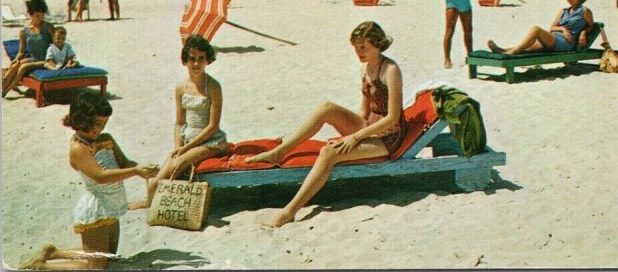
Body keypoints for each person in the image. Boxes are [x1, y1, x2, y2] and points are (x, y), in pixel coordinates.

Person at [244, 21, 407, 227]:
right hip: (370, 127)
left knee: (329, 152)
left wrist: (356, 137)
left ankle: (289, 211)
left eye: (363, 47)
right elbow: (364, 112)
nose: (359, 52)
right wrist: (355, 132)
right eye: (356, 48)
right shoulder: (365, 69)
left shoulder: (391, 70)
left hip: (389, 136)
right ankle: (280, 151)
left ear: (378, 44)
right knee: (326, 108)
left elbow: (393, 117)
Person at [20, 91, 158, 270]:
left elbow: (124, 163)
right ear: (82, 120)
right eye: (96, 123)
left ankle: (55, 253)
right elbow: (100, 176)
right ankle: (43, 266)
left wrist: (144, 169)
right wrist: (135, 171)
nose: (99, 129)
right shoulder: (79, 148)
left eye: (103, 124)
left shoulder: (107, 140)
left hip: (112, 205)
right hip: (97, 208)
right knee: (97, 268)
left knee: (107, 256)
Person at [146, 34, 228, 206]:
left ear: (208, 60)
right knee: (155, 180)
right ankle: (149, 203)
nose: (196, 64)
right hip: (187, 139)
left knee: (175, 167)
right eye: (192, 59)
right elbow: (179, 123)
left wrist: (186, 148)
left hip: (210, 142)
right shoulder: (181, 88)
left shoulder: (213, 87)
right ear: (185, 61)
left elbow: (213, 126)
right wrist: (178, 146)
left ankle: (164, 204)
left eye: (201, 59)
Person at [487, 0, 594, 54]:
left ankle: (512, 52)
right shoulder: (563, 11)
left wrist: (583, 33)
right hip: (554, 38)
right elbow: (552, 27)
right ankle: (503, 50)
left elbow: (591, 26)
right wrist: (563, 29)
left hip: (566, 43)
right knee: (525, 48)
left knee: (536, 29)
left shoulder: (584, 11)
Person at [2, 0, 55, 98]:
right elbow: (21, 51)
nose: (41, 18)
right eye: (38, 16)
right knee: (15, 65)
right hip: (33, 58)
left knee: (23, 67)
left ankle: (6, 90)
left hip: (47, 59)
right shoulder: (24, 31)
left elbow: (56, 46)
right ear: (31, 14)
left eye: (43, 15)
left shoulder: (48, 27)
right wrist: (16, 59)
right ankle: (3, 86)